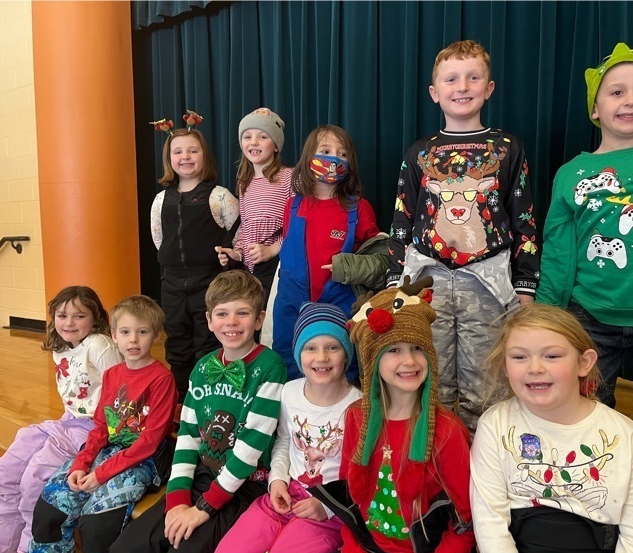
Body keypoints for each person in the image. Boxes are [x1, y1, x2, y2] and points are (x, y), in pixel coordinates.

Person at [536, 43, 633, 552]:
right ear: (596, 108)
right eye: (616, 92)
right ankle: (591, 505)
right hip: (590, 317)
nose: (630, 100)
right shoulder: (572, 174)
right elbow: (559, 250)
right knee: (584, 412)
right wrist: (551, 317)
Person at [387, 40, 540, 433]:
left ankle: (482, 466)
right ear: (435, 93)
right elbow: (403, 215)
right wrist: (394, 281)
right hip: (426, 279)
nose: (463, 86)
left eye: (473, 77)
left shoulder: (507, 147)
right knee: (428, 376)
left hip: (487, 280)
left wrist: (525, 284)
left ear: (488, 88)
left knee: (486, 382)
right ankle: (436, 466)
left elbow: (523, 215)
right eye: (451, 79)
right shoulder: (419, 152)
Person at [106, 270, 288, 553]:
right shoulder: (203, 367)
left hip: (243, 483)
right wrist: (178, 499)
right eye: (222, 313)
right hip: (203, 474)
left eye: (242, 313)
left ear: (258, 319)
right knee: (126, 551)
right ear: (209, 320)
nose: (231, 322)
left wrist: (202, 509)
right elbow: (189, 437)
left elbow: (248, 451)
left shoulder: (270, 367)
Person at [471, 303, 633, 553]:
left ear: (584, 363)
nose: (534, 368)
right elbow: (489, 522)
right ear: (505, 366)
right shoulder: (494, 425)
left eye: (552, 356)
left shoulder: (630, 440)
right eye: (519, 357)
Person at [0, 286, 122, 553]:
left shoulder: (100, 345)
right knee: (6, 469)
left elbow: (120, 394)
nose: (68, 323)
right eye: (62, 315)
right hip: (68, 422)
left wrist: (101, 439)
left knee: (33, 480)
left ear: (95, 318)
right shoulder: (62, 348)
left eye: (79, 316)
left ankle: (29, 551)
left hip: (94, 427)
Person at [27, 295, 178, 553]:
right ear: (114, 335)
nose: (133, 340)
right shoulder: (112, 374)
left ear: (156, 335)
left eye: (142, 332)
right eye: (125, 332)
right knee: (51, 510)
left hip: (144, 459)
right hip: (106, 451)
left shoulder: (162, 378)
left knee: (97, 528)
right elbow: (100, 426)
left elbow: (149, 442)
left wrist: (100, 474)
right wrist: (81, 463)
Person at [210, 302, 362, 553]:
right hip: (282, 498)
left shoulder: (357, 407)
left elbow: (360, 474)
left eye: (332, 347)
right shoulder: (289, 393)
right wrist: (277, 480)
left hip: (330, 513)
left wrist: (326, 507)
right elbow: (282, 442)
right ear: (298, 354)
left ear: (346, 355)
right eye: (310, 348)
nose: (321, 357)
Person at [339, 277, 475, 553]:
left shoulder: (447, 431)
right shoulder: (354, 417)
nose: (410, 361)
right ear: (371, 360)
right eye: (393, 350)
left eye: (416, 348)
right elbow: (348, 500)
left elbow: (465, 521)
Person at [272, 124, 382, 380]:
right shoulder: (293, 205)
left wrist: (351, 267)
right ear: (309, 156)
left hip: (340, 299)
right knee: (288, 359)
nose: (334, 159)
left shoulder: (359, 208)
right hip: (292, 299)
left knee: (344, 359)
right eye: (325, 150)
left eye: (342, 154)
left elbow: (379, 257)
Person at [150, 115, 240, 399]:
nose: (185, 157)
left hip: (210, 283)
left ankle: (211, 395)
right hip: (172, 283)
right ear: (169, 159)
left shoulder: (220, 196)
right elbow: (158, 239)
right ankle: (181, 399)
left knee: (208, 340)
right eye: (178, 152)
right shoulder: (161, 199)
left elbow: (237, 232)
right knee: (177, 342)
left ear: (205, 156)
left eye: (193, 150)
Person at [215, 107, 292, 301]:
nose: (254, 142)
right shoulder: (244, 184)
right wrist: (237, 253)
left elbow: (300, 222)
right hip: (251, 271)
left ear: (276, 145)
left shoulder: (290, 178)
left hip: (278, 267)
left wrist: (274, 249)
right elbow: (247, 228)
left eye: (263, 137)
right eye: (247, 136)